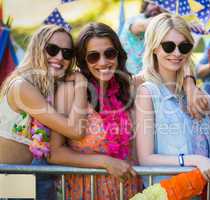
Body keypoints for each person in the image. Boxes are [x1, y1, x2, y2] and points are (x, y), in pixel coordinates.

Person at [48, 23, 143, 200]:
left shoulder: (127, 88)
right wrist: (104, 162)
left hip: (128, 191)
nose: (103, 62)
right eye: (93, 56)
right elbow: (55, 153)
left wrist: (189, 80)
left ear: (118, 54)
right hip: (87, 191)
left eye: (109, 53)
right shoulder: (72, 89)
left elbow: (161, 69)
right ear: (84, 60)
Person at [135, 13, 210, 189]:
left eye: (184, 47)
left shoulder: (193, 93)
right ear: (154, 48)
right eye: (168, 46)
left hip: (200, 192)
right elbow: (145, 158)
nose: (177, 53)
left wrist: (189, 81)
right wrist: (196, 161)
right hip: (168, 192)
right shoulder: (147, 92)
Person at [0, 24, 87, 199]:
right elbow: (76, 130)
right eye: (52, 49)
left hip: (38, 179)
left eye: (67, 53)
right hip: (11, 183)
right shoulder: (22, 86)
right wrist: (81, 83)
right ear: (38, 49)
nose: (60, 57)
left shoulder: (50, 88)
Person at [119, 0, 162, 75]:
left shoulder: (163, 29)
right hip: (130, 76)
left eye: (161, 4)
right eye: (153, 3)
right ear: (146, 4)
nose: (157, 6)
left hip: (152, 77)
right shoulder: (135, 19)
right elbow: (144, 24)